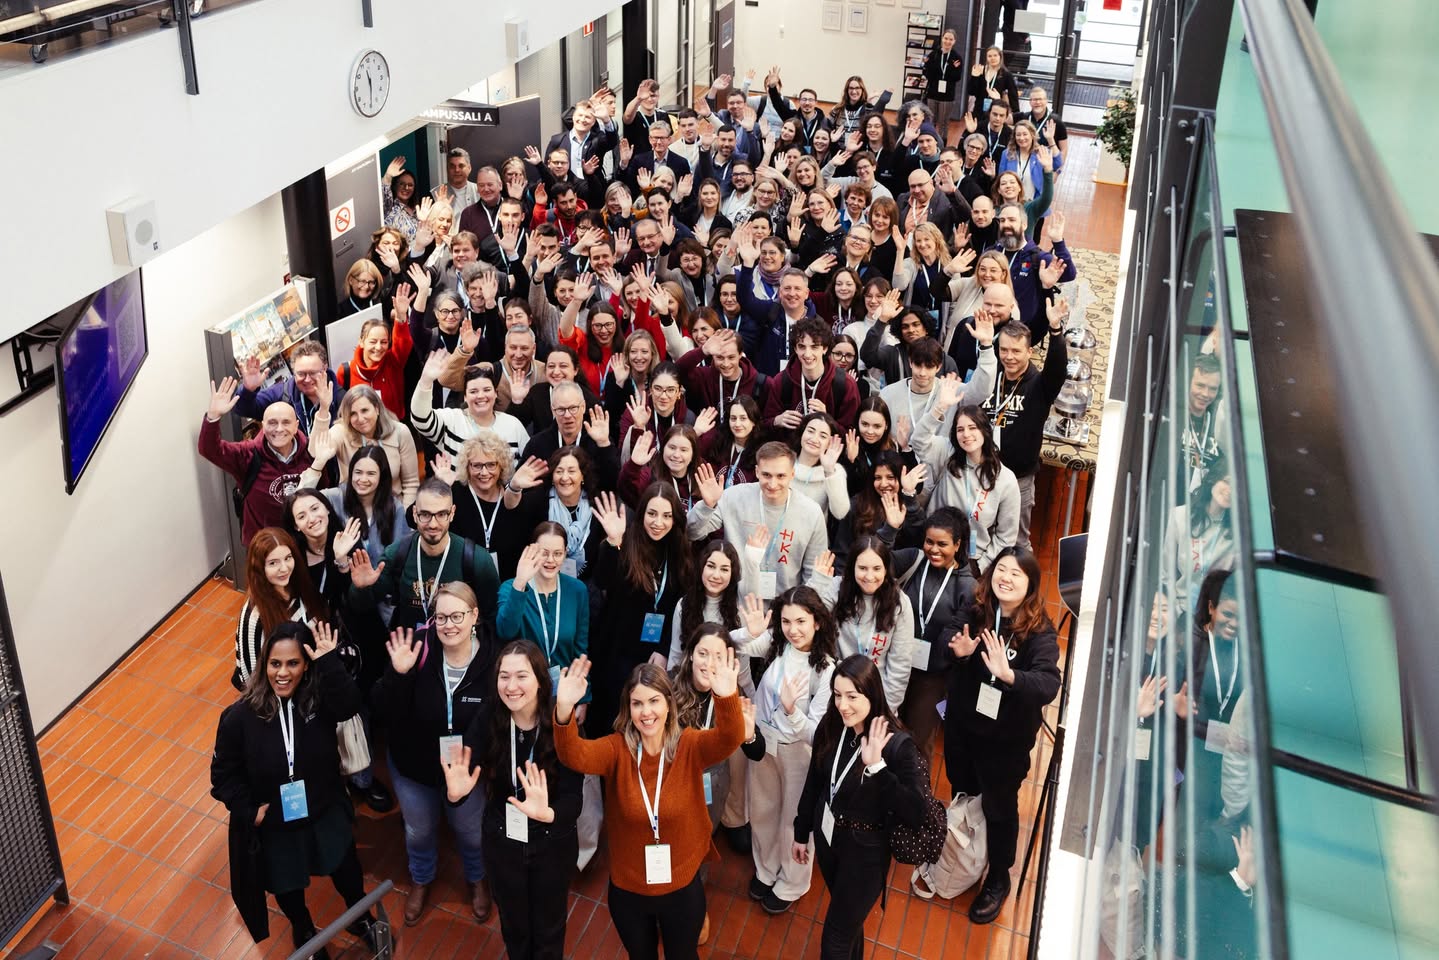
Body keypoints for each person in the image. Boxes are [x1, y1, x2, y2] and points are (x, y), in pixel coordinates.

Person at [552, 651, 744, 960]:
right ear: (628, 709)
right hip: (630, 891)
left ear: (668, 703)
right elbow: (572, 754)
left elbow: (730, 738)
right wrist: (564, 710)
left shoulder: (689, 745)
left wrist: (726, 697)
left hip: (682, 888)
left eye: (654, 701)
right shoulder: (616, 750)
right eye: (637, 703)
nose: (646, 712)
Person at [210, 621, 380, 957]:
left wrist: (329, 661)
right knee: (286, 884)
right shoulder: (239, 718)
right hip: (276, 822)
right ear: (264, 664)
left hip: (324, 807)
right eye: (275, 664)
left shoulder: (320, 700)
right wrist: (249, 810)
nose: (283, 673)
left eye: (293, 663)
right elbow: (223, 776)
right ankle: (303, 928)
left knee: (346, 867)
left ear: (306, 665)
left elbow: (350, 705)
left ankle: (359, 916)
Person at [440, 640, 585, 960]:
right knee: (514, 925)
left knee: (549, 930)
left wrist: (547, 813)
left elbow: (574, 801)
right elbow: (462, 776)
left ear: (540, 680)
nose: (511, 686)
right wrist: (455, 795)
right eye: (504, 676)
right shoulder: (488, 718)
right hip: (503, 840)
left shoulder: (562, 725)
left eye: (521, 676)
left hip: (551, 843)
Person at [943, 548, 1061, 924]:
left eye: (1016, 574)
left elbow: (1048, 683)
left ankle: (998, 877)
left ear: (1031, 586)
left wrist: (1009, 675)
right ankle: (965, 853)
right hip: (964, 729)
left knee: (999, 810)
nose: (1005, 578)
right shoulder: (976, 609)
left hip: (1004, 743)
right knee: (964, 792)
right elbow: (947, 636)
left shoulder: (1040, 631)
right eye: (1001, 570)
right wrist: (960, 651)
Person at [372, 583, 498, 924]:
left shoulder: (493, 659)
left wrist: (470, 763)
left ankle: (477, 878)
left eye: (457, 616)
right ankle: (422, 878)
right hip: (415, 765)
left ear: (474, 616)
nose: (448, 625)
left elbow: (493, 721)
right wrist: (399, 675)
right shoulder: (416, 648)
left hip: (466, 768)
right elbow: (384, 710)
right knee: (419, 831)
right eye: (441, 617)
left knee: (470, 831)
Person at [792, 656, 927, 960]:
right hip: (828, 840)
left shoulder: (898, 745)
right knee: (848, 924)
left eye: (852, 696)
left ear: (872, 694)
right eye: (837, 695)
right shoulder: (832, 725)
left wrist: (878, 767)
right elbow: (814, 781)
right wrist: (802, 831)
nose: (843, 705)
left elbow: (915, 811)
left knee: (835, 939)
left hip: (865, 855)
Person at [733, 584, 839, 913]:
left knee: (794, 819)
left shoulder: (826, 670)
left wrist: (792, 712)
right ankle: (766, 869)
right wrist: (748, 632)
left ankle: (793, 881)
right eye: (786, 621)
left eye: (801, 621)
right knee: (762, 810)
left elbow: (816, 735)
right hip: (762, 743)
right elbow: (731, 645)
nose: (793, 630)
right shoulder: (776, 644)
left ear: (817, 622)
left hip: (797, 753)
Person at [585, 487, 691, 735]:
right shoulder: (625, 542)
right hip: (617, 652)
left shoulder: (679, 553)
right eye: (652, 514)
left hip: (654, 654)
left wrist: (664, 649)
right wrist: (612, 542)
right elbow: (602, 580)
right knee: (613, 724)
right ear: (642, 513)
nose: (658, 522)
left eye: (666, 516)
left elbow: (680, 609)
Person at [346, 478, 500, 629]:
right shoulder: (397, 554)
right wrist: (361, 588)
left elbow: (492, 619)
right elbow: (361, 606)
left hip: (458, 643)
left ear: (452, 513)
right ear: (414, 513)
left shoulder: (476, 560)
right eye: (425, 514)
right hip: (410, 644)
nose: (433, 524)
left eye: (441, 514)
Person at [687, 442, 830, 602]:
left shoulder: (811, 512)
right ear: (757, 472)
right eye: (766, 475)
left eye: (780, 476)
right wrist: (707, 506)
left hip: (785, 607)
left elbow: (812, 572)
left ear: (792, 474)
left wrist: (797, 609)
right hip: (734, 603)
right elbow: (693, 533)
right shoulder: (733, 497)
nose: (773, 484)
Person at [981, 299, 1069, 550]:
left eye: (1016, 351)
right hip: (983, 472)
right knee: (983, 532)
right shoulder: (990, 376)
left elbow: (1057, 369)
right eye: (1004, 350)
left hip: (1018, 478)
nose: (1009, 357)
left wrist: (1055, 330)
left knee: (1017, 542)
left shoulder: (1040, 385)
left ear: (1029, 352)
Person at [895, 508, 976, 756]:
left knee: (918, 743)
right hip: (898, 663)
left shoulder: (968, 587)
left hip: (933, 678)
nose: (934, 549)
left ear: (957, 545)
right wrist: (890, 529)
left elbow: (962, 640)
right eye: (929, 541)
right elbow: (875, 560)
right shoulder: (915, 560)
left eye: (942, 544)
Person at [199, 377, 313, 545]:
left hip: (306, 543)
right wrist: (213, 417)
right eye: (272, 423)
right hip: (265, 550)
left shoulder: (311, 451)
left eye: (286, 422)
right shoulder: (248, 454)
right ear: (263, 425)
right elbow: (210, 449)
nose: (279, 429)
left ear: (296, 426)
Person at [915, 398, 1020, 571]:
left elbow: (1006, 537)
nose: (966, 434)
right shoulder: (947, 454)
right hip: (935, 552)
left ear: (985, 430)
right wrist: (938, 408)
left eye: (973, 428)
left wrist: (980, 567)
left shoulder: (1005, 479)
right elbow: (918, 440)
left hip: (973, 561)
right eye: (960, 429)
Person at [496, 522, 591, 684]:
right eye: (544, 553)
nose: (550, 560)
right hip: (522, 687)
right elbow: (505, 632)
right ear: (532, 551)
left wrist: (583, 692)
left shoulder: (577, 590)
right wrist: (520, 584)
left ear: (565, 553)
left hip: (564, 688)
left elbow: (580, 650)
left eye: (557, 553)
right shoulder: (511, 587)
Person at [233, 527, 326, 690]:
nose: (284, 568)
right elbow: (252, 680)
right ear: (259, 568)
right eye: (273, 563)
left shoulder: (300, 586)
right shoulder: (254, 617)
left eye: (288, 558)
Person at [831, 537, 916, 713]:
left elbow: (900, 665)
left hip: (879, 698)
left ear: (886, 569)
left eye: (877, 568)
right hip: (839, 696)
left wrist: (885, 711)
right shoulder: (836, 589)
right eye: (862, 568)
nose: (869, 576)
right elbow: (812, 614)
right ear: (852, 567)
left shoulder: (900, 602)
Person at [306, 382, 419, 506]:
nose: (360, 419)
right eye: (352, 414)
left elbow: (411, 483)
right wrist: (323, 409)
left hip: (393, 508)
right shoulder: (342, 431)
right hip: (354, 510)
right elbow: (315, 451)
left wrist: (405, 514)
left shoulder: (400, 432)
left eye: (365, 410)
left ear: (377, 409)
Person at [412, 356, 529, 464]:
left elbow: (527, 463)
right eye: (473, 391)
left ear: (495, 394)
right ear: (465, 397)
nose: (481, 396)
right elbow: (421, 420)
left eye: (487, 390)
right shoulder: (451, 419)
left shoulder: (514, 425)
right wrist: (425, 381)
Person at [993, 204, 1075, 344]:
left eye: (1012, 220)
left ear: (1024, 225)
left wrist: (1058, 241)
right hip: (993, 322)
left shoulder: (1037, 257)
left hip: (1022, 332)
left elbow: (1069, 274)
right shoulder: (993, 253)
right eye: (1002, 220)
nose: (1006, 224)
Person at [762, 319, 862, 432]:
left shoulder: (846, 384)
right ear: (795, 349)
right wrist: (776, 421)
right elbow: (764, 425)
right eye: (802, 346)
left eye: (814, 347)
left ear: (825, 349)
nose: (808, 354)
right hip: (790, 443)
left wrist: (828, 420)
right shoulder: (781, 381)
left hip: (828, 444)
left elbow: (852, 433)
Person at [235, 341, 344, 439]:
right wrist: (248, 390)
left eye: (312, 373)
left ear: (324, 368)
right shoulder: (283, 394)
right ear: (293, 372)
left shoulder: (341, 400)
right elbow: (243, 409)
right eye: (301, 374)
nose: (307, 379)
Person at [336, 310, 415, 419]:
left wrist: (401, 316)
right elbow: (341, 409)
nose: (378, 347)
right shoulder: (346, 371)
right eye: (373, 342)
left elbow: (403, 342)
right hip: (360, 428)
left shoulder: (393, 362)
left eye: (384, 342)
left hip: (392, 427)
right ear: (361, 342)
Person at [923, 30, 966, 143]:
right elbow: (926, 73)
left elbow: (957, 77)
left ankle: (941, 145)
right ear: (942, 39)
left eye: (950, 39)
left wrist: (950, 69)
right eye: (946, 38)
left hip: (947, 95)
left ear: (954, 41)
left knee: (943, 122)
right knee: (931, 120)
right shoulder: (933, 54)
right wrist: (929, 67)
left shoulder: (956, 57)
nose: (947, 41)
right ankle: (930, 142)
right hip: (932, 93)